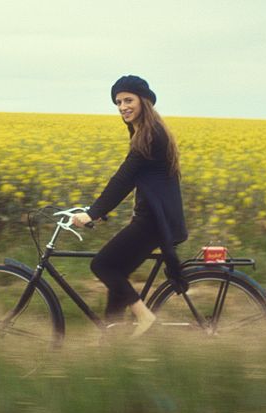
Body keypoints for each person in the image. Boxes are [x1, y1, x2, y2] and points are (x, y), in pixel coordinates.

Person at [72, 75, 188, 338]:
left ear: (143, 101)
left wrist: (93, 212)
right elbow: (134, 180)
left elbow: (124, 178)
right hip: (156, 218)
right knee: (118, 275)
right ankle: (113, 340)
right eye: (118, 102)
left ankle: (145, 317)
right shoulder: (149, 130)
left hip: (153, 222)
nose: (122, 106)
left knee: (102, 266)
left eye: (128, 100)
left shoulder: (150, 135)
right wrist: (100, 211)